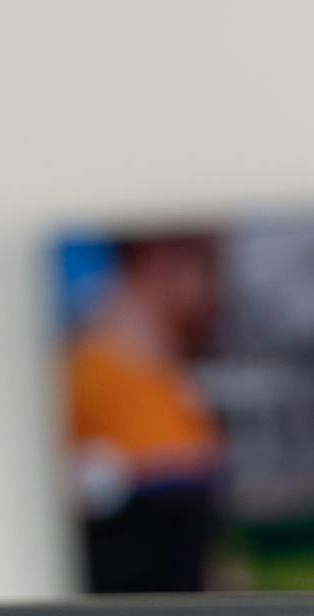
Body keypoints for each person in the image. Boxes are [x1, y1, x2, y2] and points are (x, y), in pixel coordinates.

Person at [66, 233, 225, 593]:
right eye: (207, 264)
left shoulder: (172, 384)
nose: (218, 288)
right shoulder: (82, 382)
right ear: (161, 259)